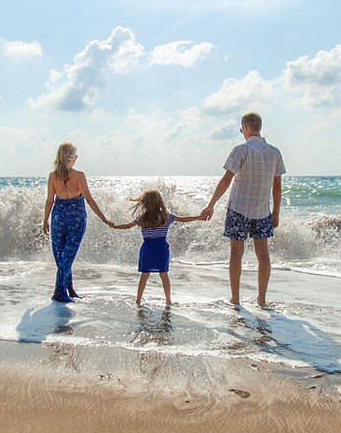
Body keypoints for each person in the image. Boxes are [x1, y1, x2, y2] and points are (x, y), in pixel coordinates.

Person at [200, 112, 286, 307]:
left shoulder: (241, 150)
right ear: (259, 127)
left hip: (238, 209)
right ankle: (262, 300)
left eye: (241, 129)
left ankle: (236, 299)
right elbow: (277, 187)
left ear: (246, 127)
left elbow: (226, 179)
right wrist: (277, 212)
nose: (242, 133)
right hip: (263, 211)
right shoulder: (274, 152)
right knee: (263, 254)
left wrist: (211, 204)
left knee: (236, 254)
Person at [110, 189, 204, 306]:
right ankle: (168, 301)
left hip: (147, 248)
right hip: (161, 248)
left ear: (144, 203)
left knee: (144, 275)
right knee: (164, 275)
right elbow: (184, 219)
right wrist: (199, 217)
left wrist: (114, 226)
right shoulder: (166, 216)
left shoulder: (141, 218)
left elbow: (128, 226)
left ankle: (138, 300)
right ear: (160, 202)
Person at [42, 143, 111, 303]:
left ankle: (69, 288)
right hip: (76, 217)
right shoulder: (79, 176)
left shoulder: (53, 176)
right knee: (67, 255)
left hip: (58, 216)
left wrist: (45, 220)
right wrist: (103, 218)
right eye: (75, 155)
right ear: (72, 158)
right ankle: (59, 291)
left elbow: (49, 201)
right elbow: (89, 199)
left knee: (62, 255)